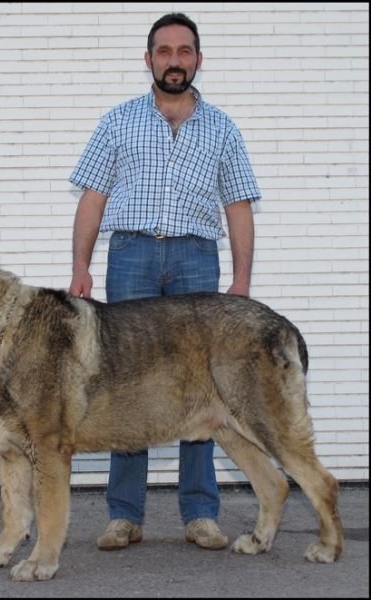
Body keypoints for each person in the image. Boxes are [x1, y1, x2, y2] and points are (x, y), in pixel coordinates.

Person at [68, 12, 261, 551]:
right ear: (148, 58)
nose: (174, 60)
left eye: (184, 51)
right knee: (124, 383)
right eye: (164, 51)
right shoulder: (118, 122)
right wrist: (81, 268)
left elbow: (238, 206)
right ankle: (124, 515)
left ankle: (200, 513)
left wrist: (241, 279)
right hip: (130, 255)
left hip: (198, 259)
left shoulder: (222, 127)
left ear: (198, 59)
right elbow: (92, 198)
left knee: (204, 386)